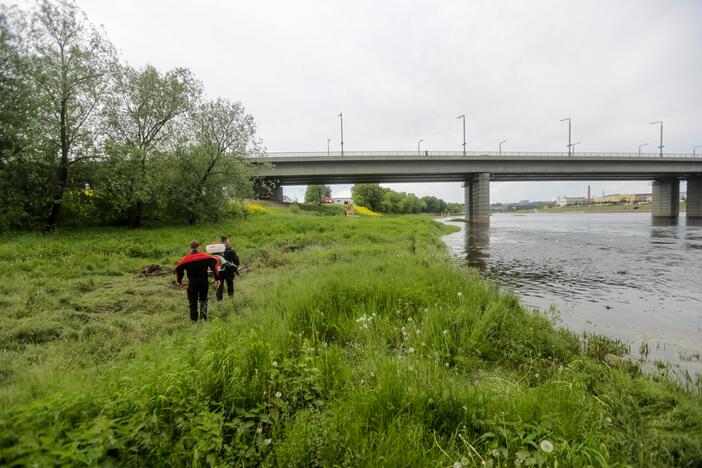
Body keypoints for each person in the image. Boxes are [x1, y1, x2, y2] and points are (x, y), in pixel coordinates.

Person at [175, 240, 220, 321]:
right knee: (203, 299)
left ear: (190, 248)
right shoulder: (205, 257)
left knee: (193, 302)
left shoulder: (186, 259)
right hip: (204, 282)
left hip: (193, 283)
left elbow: (179, 269)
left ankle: (193, 320)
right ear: (199, 247)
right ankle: (203, 318)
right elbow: (214, 265)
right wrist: (217, 279)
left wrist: (179, 281)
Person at [216, 235, 240, 301]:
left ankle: (219, 301)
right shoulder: (230, 250)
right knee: (230, 285)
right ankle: (231, 299)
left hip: (219, 271)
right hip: (229, 271)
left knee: (219, 287)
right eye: (228, 240)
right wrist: (236, 269)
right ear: (226, 241)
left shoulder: (216, 251)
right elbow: (236, 261)